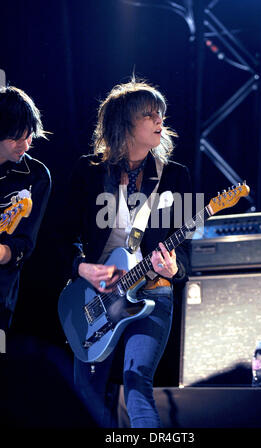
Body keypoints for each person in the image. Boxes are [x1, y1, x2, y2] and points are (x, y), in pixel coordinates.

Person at [61, 78, 193, 428]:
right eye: (149, 114)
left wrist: (175, 267)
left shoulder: (176, 178)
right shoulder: (87, 173)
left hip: (152, 294)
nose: (159, 120)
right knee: (84, 395)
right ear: (125, 123)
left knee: (137, 386)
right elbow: (58, 238)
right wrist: (82, 268)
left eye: (161, 114)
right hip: (96, 299)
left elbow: (186, 255)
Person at [0, 86, 51, 331]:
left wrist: (2, 252)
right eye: (16, 137)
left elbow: (24, 245)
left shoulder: (37, 176)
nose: (25, 145)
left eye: (29, 136)